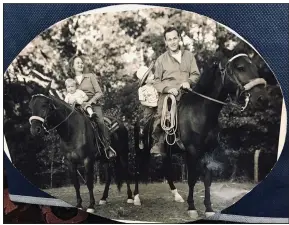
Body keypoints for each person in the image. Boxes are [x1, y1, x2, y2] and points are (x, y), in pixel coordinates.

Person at [151, 26, 201, 156]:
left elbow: (195, 74)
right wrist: (168, 89)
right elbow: (156, 82)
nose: (172, 42)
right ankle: (159, 142)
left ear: (179, 39)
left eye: (174, 38)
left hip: (186, 91)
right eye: (169, 39)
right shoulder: (161, 60)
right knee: (162, 114)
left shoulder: (189, 56)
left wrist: (188, 81)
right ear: (165, 42)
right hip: (169, 95)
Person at [68, 55, 116, 159]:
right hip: (77, 108)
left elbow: (99, 92)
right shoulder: (71, 82)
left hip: (93, 106)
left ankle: (107, 148)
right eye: (78, 63)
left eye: (81, 62)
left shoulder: (90, 76)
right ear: (72, 66)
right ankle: (70, 151)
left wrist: (89, 102)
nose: (81, 64)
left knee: (100, 122)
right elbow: (69, 95)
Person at [136, 66, 160, 154]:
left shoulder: (156, 86)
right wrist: (152, 104)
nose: (153, 76)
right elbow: (142, 102)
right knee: (144, 122)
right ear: (146, 81)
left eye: (152, 74)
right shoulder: (142, 89)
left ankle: (158, 140)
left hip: (158, 107)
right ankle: (141, 138)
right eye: (150, 76)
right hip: (149, 109)